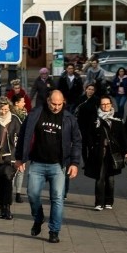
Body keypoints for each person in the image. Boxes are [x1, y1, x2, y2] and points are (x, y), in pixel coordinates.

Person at [15, 89, 82, 244]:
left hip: (58, 165)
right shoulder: (35, 114)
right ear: (48, 101)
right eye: (53, 104)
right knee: (32, 195)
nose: (56, 107)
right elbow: (24, 135)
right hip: (37, 163)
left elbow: (77, 142)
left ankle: (54, 231)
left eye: (60, 104)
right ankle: (38, 219)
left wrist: (74, 163)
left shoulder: (69, 118)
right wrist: (20, 158)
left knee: (57, 198)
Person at [84, 95, 127, 211]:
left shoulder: (117, 119)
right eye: (103, 104)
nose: (105, 106)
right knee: (99, 177)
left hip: (113, 153)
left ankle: (109, 201)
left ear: (111, 105)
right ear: (100, 105)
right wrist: (92, 147)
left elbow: (122, 138)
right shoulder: (95, 119)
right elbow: (88, 135)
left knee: (110, 179)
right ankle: (99, 202)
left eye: (107, 104)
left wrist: (126, 152)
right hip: (100, 153)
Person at [0, 97, 23, 220]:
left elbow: (21, 136)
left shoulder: (14, 119)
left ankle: (7, 208)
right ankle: (3, 208)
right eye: (2, 109)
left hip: (10, 156)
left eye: (6, 109)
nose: (4, 111)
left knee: (7, 181)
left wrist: (19, 153)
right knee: (2, 183)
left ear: (9, 108)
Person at [10, 92, 29, 203]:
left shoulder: (25, 112)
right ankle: (10, 193)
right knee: (13, 170)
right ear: (17, 103)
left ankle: (18, 193)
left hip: (23, 144)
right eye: (22, 101)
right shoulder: (11, 114)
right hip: (14, 144)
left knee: (22, 169)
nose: (24, 103)